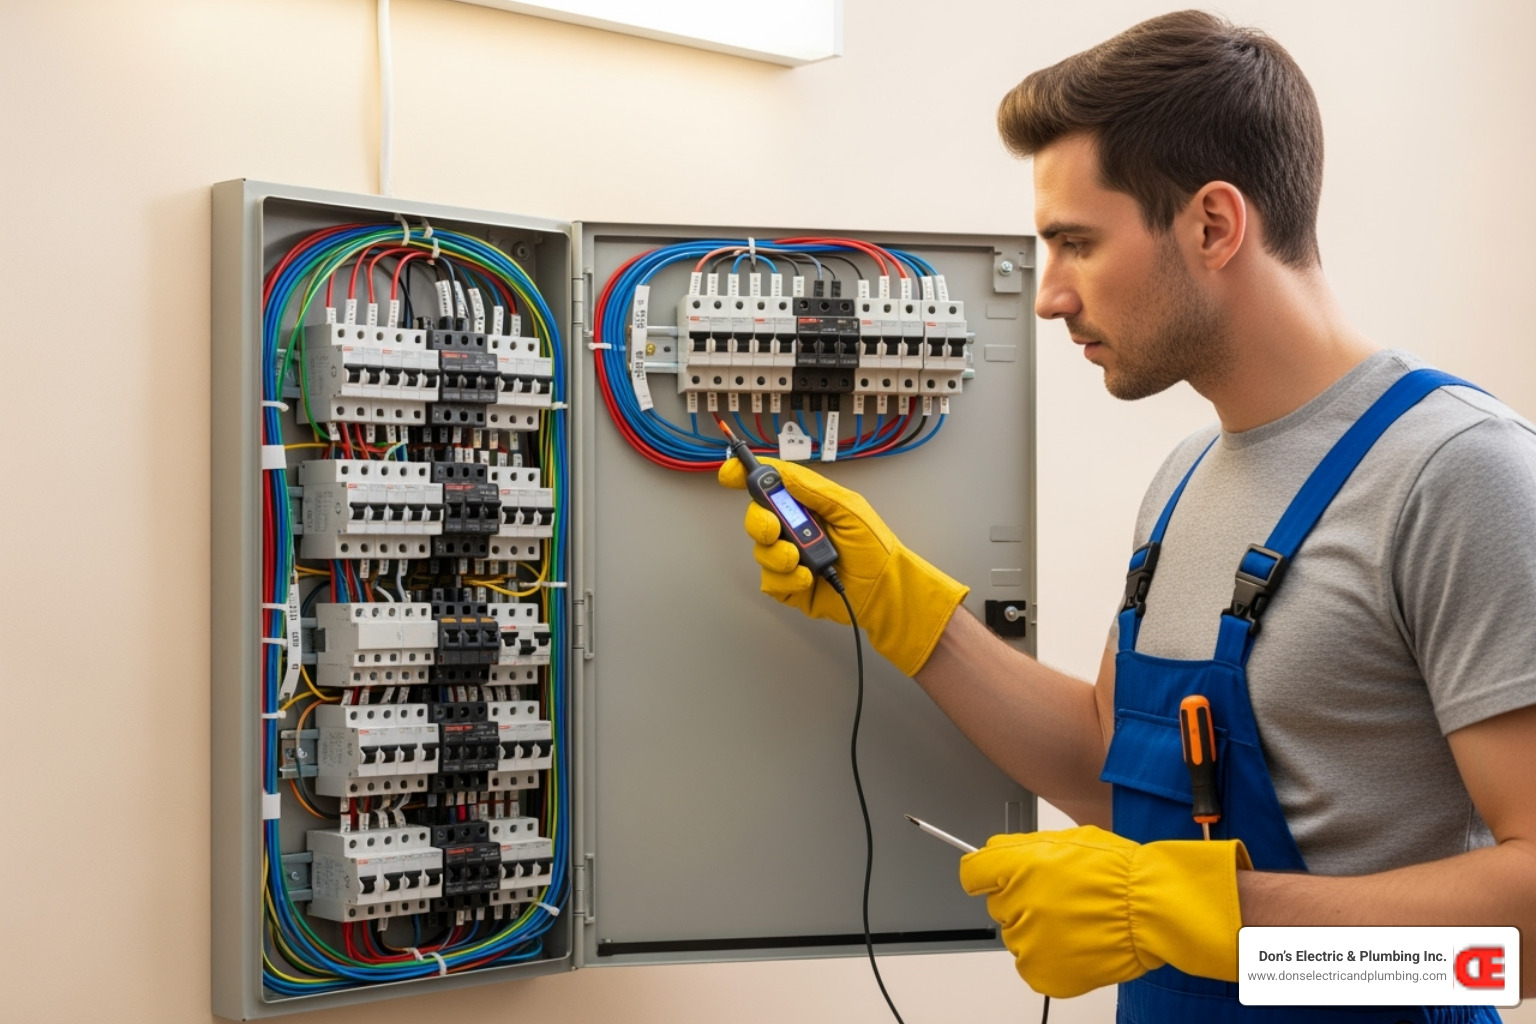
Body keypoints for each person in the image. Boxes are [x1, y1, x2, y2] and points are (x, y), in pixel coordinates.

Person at [718, 10, 1536, 1023]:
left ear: (1212, 225)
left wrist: (1216, 919)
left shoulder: (1458, 474)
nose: (1050, 296)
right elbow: (1121, 777)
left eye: (1075, 243)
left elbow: (1523, 943)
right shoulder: (1186, 476)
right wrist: (909, 612)